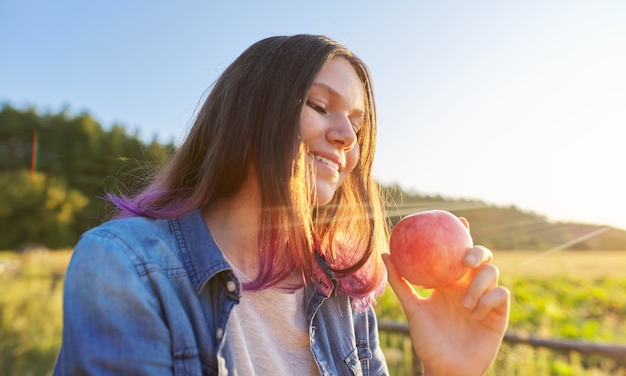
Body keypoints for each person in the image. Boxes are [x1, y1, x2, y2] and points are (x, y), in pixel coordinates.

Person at [53, 34, 510, 376]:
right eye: (318, 104)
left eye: (357, 124)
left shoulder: (344, 300)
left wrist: (448, 372)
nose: (348, 139)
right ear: (248, 116)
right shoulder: (126, 266)